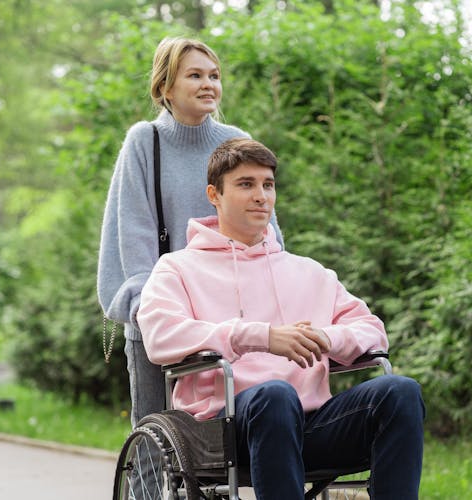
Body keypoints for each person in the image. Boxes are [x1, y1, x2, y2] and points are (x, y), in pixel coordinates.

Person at [137, 138, 426, 499]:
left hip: (312, 425)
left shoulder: (310, 272)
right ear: (215, 194)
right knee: (275, 395)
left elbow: (372, 330)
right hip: (225, 430)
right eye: (246, 184)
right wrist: (261, 336)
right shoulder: (177, 268)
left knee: (401, 392)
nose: (261, 196)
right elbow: (161, 335)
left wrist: (325, 338)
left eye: (268, 185)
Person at [97, 37, 284, 427]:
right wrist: (149, 312)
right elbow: (133, 233)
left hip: (229, 318)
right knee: (156, 434)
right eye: (194, 75)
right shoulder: (144, 142)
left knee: (230, 442)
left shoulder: (235, 140)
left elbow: (265, 228)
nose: (208, 85)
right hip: (163, 318)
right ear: (165, 88)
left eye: (214, 76)